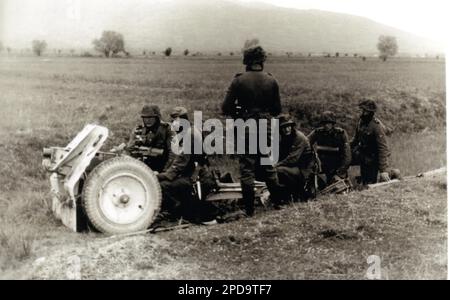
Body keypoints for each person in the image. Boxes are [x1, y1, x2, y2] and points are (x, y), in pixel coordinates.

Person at [221, 45, 282, 216]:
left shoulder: (239, 80)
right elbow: (277, 110)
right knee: (267, 164)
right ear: (262, 61)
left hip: (245, 126)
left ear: (246, 61)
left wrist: (239, 114)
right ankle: (278, 204)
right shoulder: (271, 80)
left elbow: (225, 107)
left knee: (247, 168)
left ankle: (249, 210)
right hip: (266, 126)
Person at [157, 107, 216, 223]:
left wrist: (162, 175)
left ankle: (178, 211)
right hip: (195, 173)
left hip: (196, 176)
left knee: (163, 186)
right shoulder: (190, 131)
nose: (173, 123)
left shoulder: (189, 135)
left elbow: (180, 162)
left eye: (175, 120)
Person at [275, 114, 315, 202]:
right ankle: (285, 196)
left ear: (291, 126)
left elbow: (293, 158)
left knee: (279, 170)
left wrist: (275, 165)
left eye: (288, 126)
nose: (286, 129)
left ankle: (296, 194)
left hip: (303, 170)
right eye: (283, 127)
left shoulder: (299, 137)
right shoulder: (283, 137)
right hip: (292, 167)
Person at [350, 99, 391, 184]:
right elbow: (355, 139)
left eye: (365, 111)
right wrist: (346, 146)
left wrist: (383, 170)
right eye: (363, 110)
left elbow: (383, 148)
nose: (363, 113)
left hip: (373, 158)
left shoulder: (376, 126)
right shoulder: (361, 122)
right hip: (363, 155)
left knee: (370, 183)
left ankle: (392, 173)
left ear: (371, 112)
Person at [308, 111, 351, 184]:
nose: (326, 125)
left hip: (337, 167)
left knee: (338, 188)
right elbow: (306, 142)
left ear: (333, 123)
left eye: (328, 123)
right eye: (324, 123)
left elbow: (347, 156)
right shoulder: (317, 132)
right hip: (322, 167)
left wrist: (340, 172)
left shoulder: (341, 134)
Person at [126, 104, 172, 172]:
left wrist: (164, 172)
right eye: (145, 118)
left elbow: (172, 154)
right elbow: (130, 149)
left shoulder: (166, 129)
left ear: (157, 118)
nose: (147, 120)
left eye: (150, 118)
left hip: (161, 168)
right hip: (142, 167)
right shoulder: (138, 129)